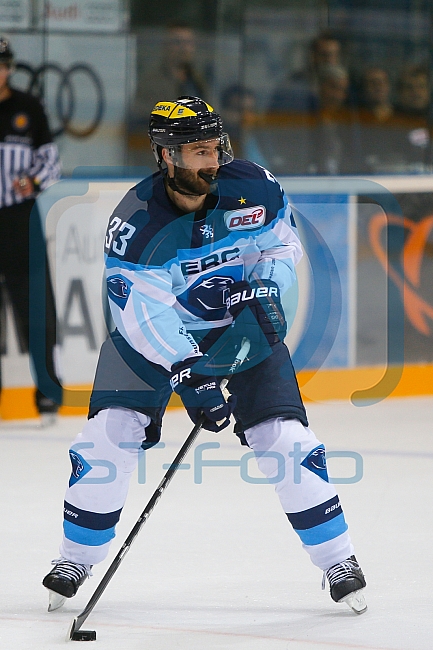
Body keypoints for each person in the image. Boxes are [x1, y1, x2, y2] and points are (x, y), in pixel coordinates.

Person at [42, 96, 367, 615]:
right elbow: (142, 315)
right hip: (154, 341)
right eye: (197, 150)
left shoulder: (253, 186)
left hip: (244, 330)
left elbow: (282, 251)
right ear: (166, 156)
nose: (212, 159)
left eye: (214, 146)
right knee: (108, 436)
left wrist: (266, 298)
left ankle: (337, 559)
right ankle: (75, 557)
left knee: (283, 438)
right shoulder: (136, 220)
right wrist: (188, 369)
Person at [0, 35, 62, 422]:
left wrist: (33, 183)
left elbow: (50, 163)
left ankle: (47, 392)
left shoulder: (28, 108)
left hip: (19, 219)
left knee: (37, 307)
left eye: (2, 63)